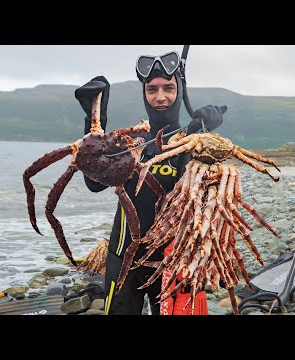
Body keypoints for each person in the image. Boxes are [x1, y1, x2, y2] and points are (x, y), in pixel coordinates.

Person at [75, 50, 226, 315]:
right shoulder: (132, 143)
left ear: (180, 90)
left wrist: (204, 136)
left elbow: (207, 194)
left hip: (174, 258)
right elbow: (94, 184)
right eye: (152, 89)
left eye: (168, 88)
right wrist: (93, 125)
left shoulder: (190, 142)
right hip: (123, 259)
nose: (160, 97)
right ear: (144, 93)